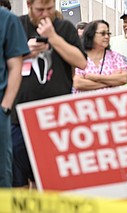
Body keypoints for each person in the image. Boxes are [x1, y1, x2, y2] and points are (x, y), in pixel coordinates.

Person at [11, 0, 87, 188]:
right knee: (17, 179)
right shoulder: (17, 26)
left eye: (50, 9)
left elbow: (81, 62)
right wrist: (24, 51)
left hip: (56, 117)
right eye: (39, 10)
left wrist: (53, 38)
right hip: (19, 115)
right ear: (28, 5)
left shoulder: (64, 28)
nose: (45, 14)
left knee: (46, 180)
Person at [0, 7, 29, 187]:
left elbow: (15, 66)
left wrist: (6, 107)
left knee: (2, 170)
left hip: (1, 108)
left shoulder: (7, 20)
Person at [73, 20, 127, 93]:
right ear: (91, 34)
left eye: (108, 34)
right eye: (102, 33)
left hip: (110, 102)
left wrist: (94, 77)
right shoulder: (79, 56)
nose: (107, 37)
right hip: (86, 103)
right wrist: (111, 82)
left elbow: (123, 79)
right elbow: (78, 83)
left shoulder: (114, 57)